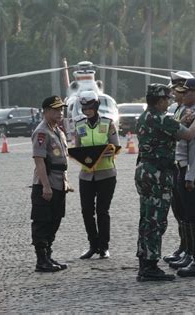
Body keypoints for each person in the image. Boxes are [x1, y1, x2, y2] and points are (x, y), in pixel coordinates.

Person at [135, 83, 195, 282]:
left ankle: (144, 259)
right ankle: (151, 266)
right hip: (158, 174)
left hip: (144, 171)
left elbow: (167, 130)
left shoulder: (145, 117)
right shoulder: (162, 118)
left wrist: (182, 121)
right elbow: (189, 134)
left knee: (146, 217)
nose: (170, 101)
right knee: (157, 220)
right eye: (167, 99)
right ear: (160, 101)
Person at [168, 78, 195, 278]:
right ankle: (191, 254)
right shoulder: (188, 113)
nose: (182, 95)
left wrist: (190, 176)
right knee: (186, 215)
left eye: (186, 92)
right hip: (184, 168)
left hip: (193, 169)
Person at [74, 91, 120, 259]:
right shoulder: (79, 124)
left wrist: (100, 153)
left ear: (96, 107)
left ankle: (104, 247)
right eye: (84, 108)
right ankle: (92, 245)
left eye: (90, 108)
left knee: (102, 210)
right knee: (86, 211)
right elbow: (77, 147)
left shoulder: (108, 123)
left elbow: (115, 146)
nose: (87, 111)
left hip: (106, 174)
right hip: (86, 175)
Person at [31, 95, 72, 272]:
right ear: (46, 111)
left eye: (61, 110)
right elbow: (39, 161)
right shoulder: (42, 132)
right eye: (55, 110)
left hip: (59, 182)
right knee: (42, 222)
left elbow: (62, 161)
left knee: (55, 219)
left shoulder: (57, 131)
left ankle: (48, 255)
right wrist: (46, 187)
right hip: (46, 183)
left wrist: (66, 182)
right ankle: (41, 260)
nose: (59, 113)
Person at [163, 71, 195, 264]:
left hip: (187, 165)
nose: (174, 93)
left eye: (176, 89)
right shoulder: (178, 109)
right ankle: (184, 247)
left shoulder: (191, 111)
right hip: (176, 164)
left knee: (188, 211)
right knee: (179, 210)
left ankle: (191, 251)